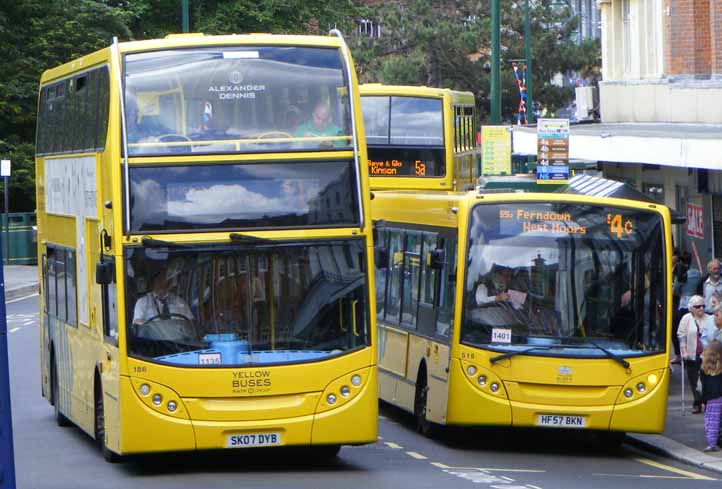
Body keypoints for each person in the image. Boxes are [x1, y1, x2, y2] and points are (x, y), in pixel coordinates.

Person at [678, 295, 710, 414]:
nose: (701, 308)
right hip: (691, 354)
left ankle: (706, 401)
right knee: (693, 380)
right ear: (691, 308)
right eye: (697, 306)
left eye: (703, 306)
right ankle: (697, 402)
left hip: (706, 355)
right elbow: (681, 335)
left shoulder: (709, 318)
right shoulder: (686, 318)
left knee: (706, 379)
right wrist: (683, 351)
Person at [674, 251, 702, 363]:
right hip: (696, 302)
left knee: (683, 331)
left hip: (684, 304)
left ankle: (683, 355)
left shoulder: (682, 275)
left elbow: (675, 290)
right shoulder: (697, 273)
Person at [700, 340, 722, 452]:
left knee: (712, 421)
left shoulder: (704, 369)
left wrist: (703, 401)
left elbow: (704, 388)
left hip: (712, 399)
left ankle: (712, 443)